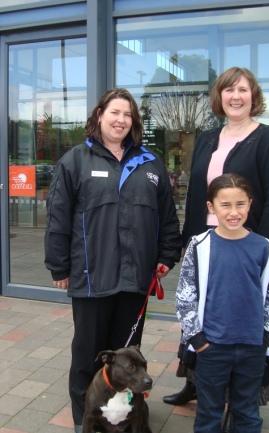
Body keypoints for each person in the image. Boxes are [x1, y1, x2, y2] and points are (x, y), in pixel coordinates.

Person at [44, 88, 182, 433]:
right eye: (114, 112)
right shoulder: (75, 160)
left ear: (133, 122)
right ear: (100, 115)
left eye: (128, 114)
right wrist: (59, 266)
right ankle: (85, 420)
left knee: (128, 358)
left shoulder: (150, 164)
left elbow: (167, 216)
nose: (121, 120)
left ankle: (123, 415)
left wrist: (167, 254)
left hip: (135, 279)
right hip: (92, 278)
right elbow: (58, 217)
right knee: (87, 355)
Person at [163, 66, 269, 406]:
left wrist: (265, 249)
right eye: (229, 90)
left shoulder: (267, 138)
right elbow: (195, 196)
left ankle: (240, 394)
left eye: (243, 90)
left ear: (253, 96)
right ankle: (194, 381)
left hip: (244, 241)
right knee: (200, 310)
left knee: (239, 311)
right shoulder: (207, 138)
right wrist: (186, 244)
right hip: (206, 240)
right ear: (219, 97)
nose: (236, 96)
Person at [176, 173, 269, 433]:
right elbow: (185, 294)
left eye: (240, 204)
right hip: (211, 347)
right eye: (225, 205)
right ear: (211, 207)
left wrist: (266, 335)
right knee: (208, 413)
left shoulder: (265, 248)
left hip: (252, 347)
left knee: (247, 412)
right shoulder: (199, 246)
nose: (233, 212)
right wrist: (197, 338)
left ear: (250, 204)